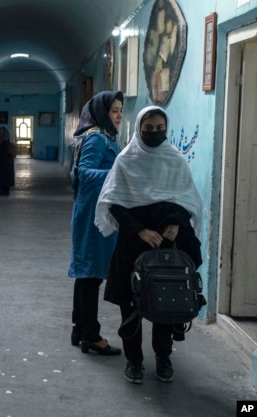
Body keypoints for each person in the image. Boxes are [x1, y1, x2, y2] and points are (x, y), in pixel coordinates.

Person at [95, 105, 203, 384]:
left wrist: (177, 223)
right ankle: (134, 361)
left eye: (159, 129)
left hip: (169, 242)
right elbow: (114, 204)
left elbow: (186, 199)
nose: (154, 134)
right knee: (131, 306)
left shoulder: (175, 159)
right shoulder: (126, 160)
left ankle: (164, 357)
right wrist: (140, 231)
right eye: (148, 129)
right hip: (134, 242)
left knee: (166, 303)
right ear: (139, 129)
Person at [67, 90, 124, 356]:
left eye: (121, 111)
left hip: (90, 211)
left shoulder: (96, 136)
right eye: (114, 111)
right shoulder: (97, 139)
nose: (119, 116)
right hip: (93, 216)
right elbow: (84, 172)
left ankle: (80, 329)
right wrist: (119, 174)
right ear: (102, 113)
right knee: (91, 276)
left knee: (87, 274)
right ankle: (91, 335)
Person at [0, 126, 15, 196]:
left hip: (6, 162)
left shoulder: (5, 141)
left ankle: (5, 191)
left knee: (5, 176)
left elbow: (5, 152)